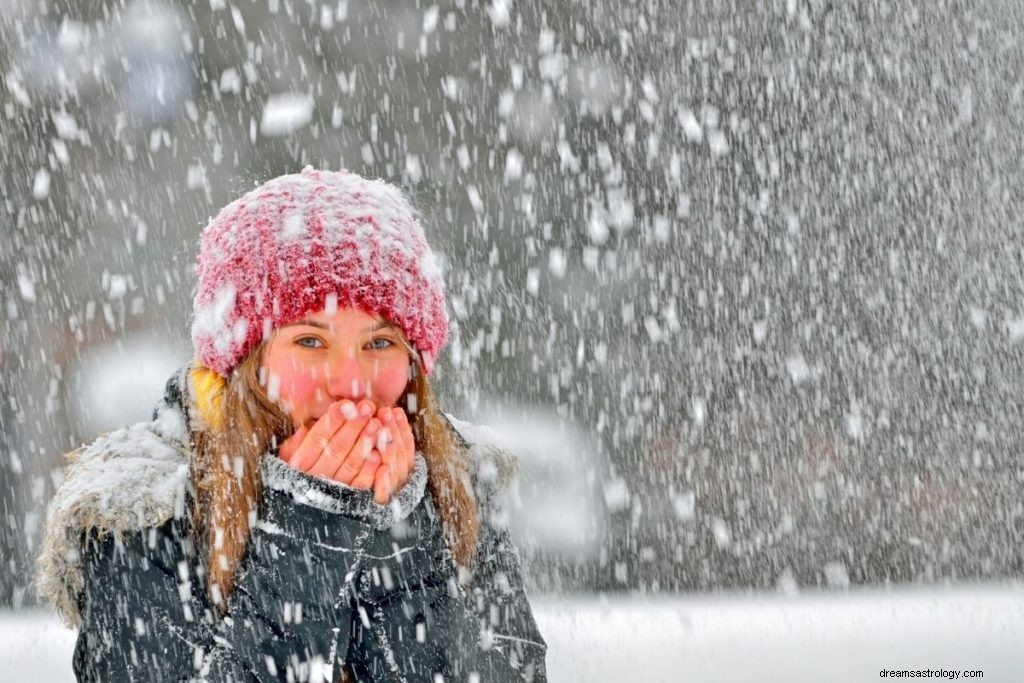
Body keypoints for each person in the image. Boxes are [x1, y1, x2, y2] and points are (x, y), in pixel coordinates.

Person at [35, 167, 547, 682]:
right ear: (245, 364)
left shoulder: (454, 486)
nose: (351, 383)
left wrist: (401, 538)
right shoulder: (145, 514)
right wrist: (308, 534)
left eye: (379, 343)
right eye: (309, 341)